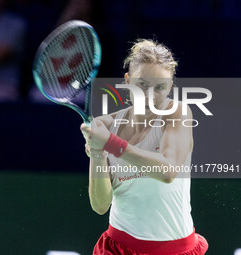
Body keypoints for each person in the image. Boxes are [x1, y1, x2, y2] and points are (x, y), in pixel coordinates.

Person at [80, 39, 209, 255]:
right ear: (128, 81)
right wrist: (97, 150)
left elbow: (168, 171)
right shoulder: (105, 127)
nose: (150, 95)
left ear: (170, 86)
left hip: (174, 249)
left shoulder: (178, 114)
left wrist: (111, 144)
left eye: (160, 87)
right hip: (118, 247)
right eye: (142, 85)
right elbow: (100, 204)